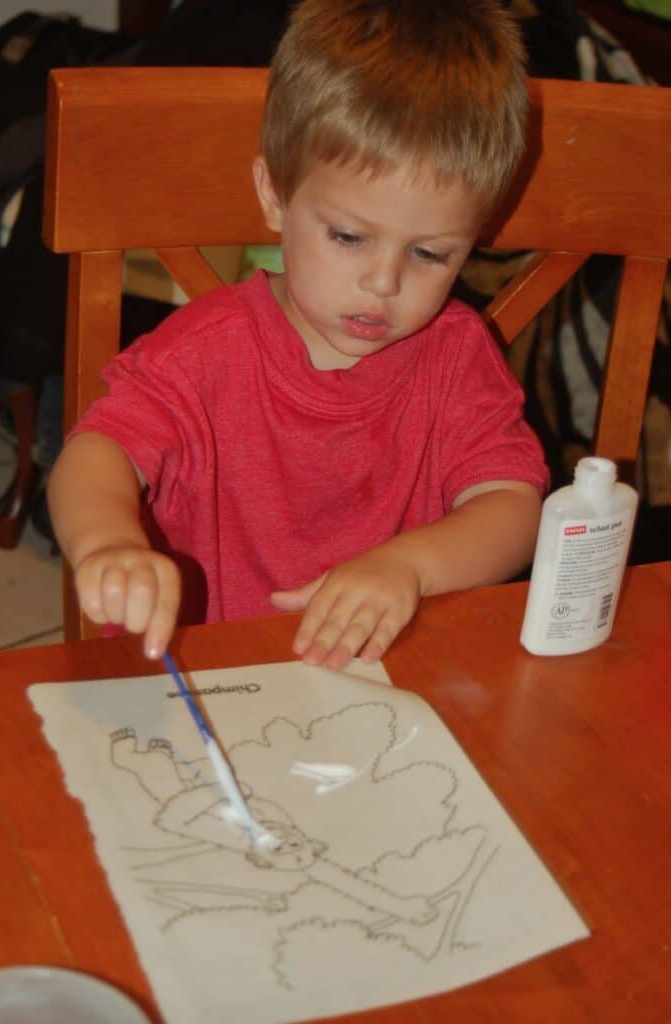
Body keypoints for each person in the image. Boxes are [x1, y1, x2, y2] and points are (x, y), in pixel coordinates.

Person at [48, 0, 548, 670]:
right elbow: (97, 452)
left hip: (387, 688)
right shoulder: (204, 351)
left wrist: (411, 567)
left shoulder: (456, 354)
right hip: (205, 679)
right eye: (348, 236)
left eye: (431, 255)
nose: (383, 282)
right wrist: (107, 543)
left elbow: (512, 505)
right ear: (275, 196)